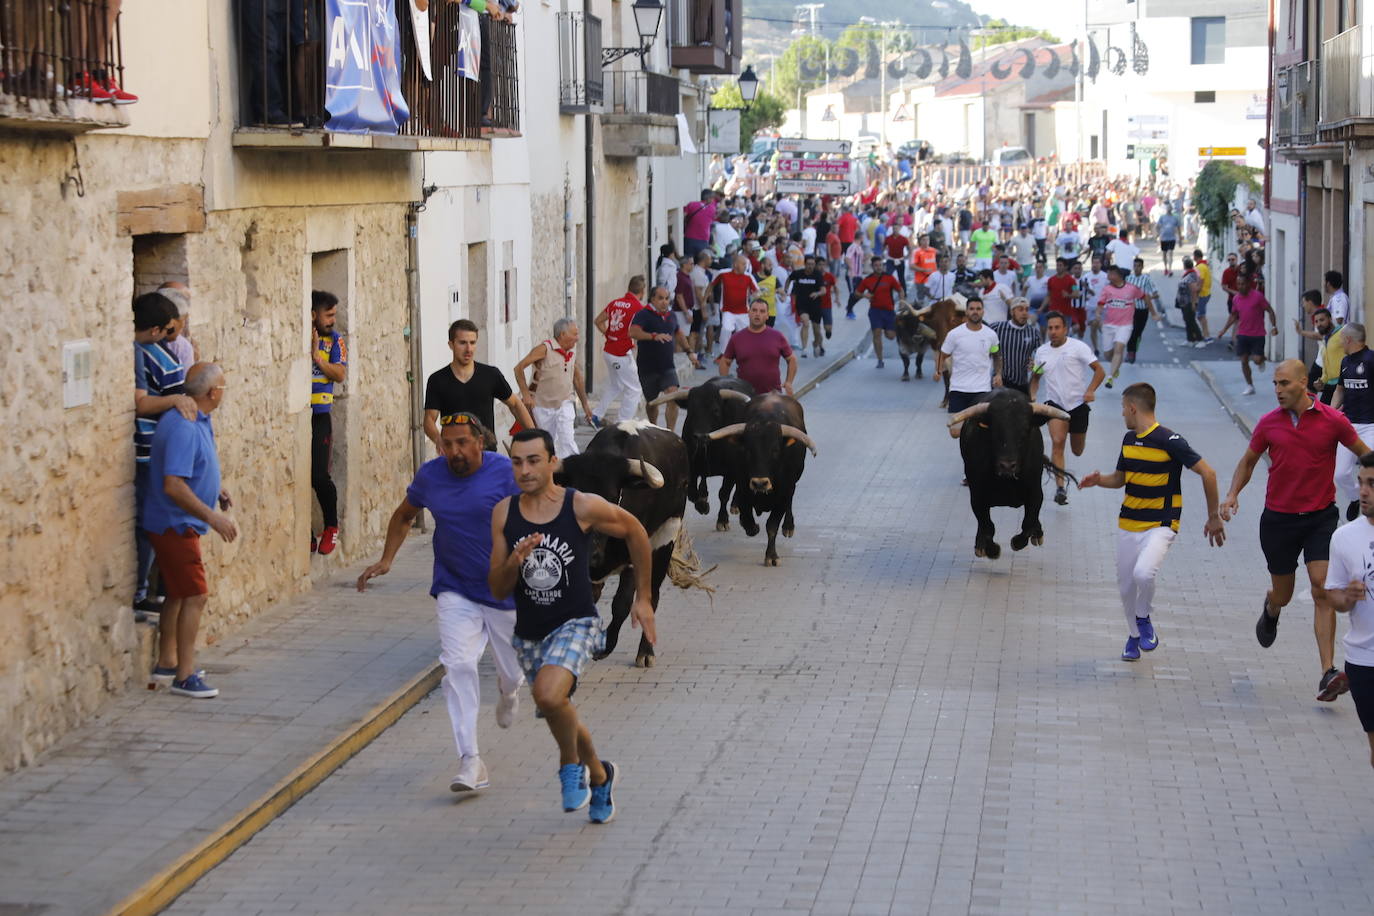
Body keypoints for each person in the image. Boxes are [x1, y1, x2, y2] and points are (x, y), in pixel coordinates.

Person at [489, 428, 657, 824]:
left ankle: (570, 767)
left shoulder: (578, 506)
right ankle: (601, 775)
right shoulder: (504, 513)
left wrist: (644, 598)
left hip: (576, 624)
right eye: (516, 462)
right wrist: (514, 562)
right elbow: (497, 589)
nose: (524, 470)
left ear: (553, 464)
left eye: (533, 460)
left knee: (549, 697)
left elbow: (634, 530)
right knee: (559, 707)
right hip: (529, 634)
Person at [357, 412, 524, 793]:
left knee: (512, 671)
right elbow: (404, 515)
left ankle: (509, 689)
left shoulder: (504, 472)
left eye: (462, 442)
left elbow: (537, 510)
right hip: (454, 587)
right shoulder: (431, 475)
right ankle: (471, 760)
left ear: (480, 442)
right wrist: (386, 561)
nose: (454, 451)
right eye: (447, 444)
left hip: (503, 590)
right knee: (458, 665)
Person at [1221, 359, 1372, 703]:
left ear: (1304, 383)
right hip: (1278, 520)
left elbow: (1364, 454)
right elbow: (1247, 462)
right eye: (1275, 384)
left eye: (1284, 383)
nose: (1277, 391)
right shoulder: (1268, 423)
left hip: (1320, 518)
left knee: (1321, 588)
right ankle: (1272, 607)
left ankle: (1327, 673)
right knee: (1284, 593)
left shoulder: (1333, 421)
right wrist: (1232, 495)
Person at [1079, 383, 1226, 660]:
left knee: (1144, 573)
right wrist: (1098, 481)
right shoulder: (1128, 439)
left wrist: (1213, 516)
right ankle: (1134, 637)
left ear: (1133, 408)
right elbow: (1120, 479)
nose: (1122, 414)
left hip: (1162, 522)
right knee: (1125, 588)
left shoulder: (1170, 441)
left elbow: (1209, 474)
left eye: (1123, 408)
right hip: (1129, 522)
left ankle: (1144, 619)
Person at [143, 363, 237, 699]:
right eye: (223, 386)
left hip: (177, 523)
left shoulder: (199, 418)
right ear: (212, 392)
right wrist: (213, 517)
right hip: (174, 523)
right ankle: (185, 675)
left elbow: (196, 467)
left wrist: (216, 489)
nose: (224, 391)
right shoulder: (184, 424)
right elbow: (174, 485)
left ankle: (167, 662)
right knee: (196, 595)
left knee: (179, 594)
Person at [132, 292, 194, 620]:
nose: (174, 336)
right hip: (150, 454)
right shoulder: (155, 358)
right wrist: (173, 401)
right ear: (156, 330)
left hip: (148, 452)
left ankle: (149, 589)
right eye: (169, 330)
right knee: (151, 524)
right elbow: (149, 404)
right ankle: (144, 591)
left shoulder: (143, 353)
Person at [1323, 451, 1374, 767]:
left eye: (1372, 484)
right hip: (1364, 660)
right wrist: (1349, 596)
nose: (1363, 491)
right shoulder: (1344, 537)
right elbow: (1334, 600)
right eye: (1361, 483)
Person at [1030, 313, 1105, 505]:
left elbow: (1100, 370)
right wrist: (1032, 395)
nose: (1053, 332)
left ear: (1065, 329)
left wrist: (1090, 390)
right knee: (1057, 442)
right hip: (1054, 404)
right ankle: (1060, 488)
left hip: (1078, 405)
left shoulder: (1078, 347)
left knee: (1077, 450)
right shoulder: (1041, 352)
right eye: (1050, 328)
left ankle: (1063, 480)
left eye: (1057, 328)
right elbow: (1036, 377)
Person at [424, 320, 534, 446]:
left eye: (472, 343)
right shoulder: (437, 380)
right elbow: (429, 419)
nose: (468, 349)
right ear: (451, 344)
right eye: (462, 343)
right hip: (454, 455)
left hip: (486, 454)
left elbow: (515, 404)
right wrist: (440, 441)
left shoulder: (491, 374)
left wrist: (536, 437)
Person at [513, 320, 594, 459]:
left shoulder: (571, 352)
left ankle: (572, 470)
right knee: (547, 443)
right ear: (562, 334)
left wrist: (585, 405)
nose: (578, 338)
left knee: (567, 439)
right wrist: (525, 394)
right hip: (542, 406)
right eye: (574, 334)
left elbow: (577, 379)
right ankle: (551, 470)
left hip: (565, 403)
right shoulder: (545, 349)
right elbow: (519, 368)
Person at [630, 285, 702, 429]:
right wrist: (653, 336)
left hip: (667, 367)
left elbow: (679, 333)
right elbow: (633, 332)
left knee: (673, 396)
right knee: (652, 403)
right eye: (660, 298)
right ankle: (654, 428)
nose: (664, 302)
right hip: (647, 368)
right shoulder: (643, 314)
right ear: (652, 299)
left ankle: (670, 432)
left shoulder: (671, 315)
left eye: (667, 298)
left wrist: (689, 352)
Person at [309, 291, 347, 555]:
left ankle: (331, 527)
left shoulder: (335, 340)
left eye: (334, 314)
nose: (333, 320)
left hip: (320, 415)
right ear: (313, 315)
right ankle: (307, 534)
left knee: (319, 475)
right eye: (329, 314)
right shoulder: (300, 335)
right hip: (299, 417)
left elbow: (340, 373)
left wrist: (317, 359)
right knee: (298, 477)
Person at [938, 297, 1002, 439]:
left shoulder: (991, 335)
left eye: (978, 309)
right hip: (958, 390)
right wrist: (938, 371)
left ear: (983, 312)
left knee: (983, 431)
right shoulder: (954, 335)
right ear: (966, 312)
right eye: (972, 309)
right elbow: (943, 354)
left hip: (982, 391)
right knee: (955, 432)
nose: (975, 312)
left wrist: (998, 374)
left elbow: (997, 355)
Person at [1330, 324, 1374, 521]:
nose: (1340, 342)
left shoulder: (1371, 359)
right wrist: (1330, 412)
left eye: (1341, 338)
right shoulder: (1345, 362)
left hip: (1370, 426)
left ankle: (1369, 511)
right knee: (1340, 474)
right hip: (1348, 426)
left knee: (1369, 470)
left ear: (1348, 339)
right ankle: (1356, 498)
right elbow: (1340, 389)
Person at [1216, 271, 1278, 396]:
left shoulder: (1258, 296)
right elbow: (1233, 316)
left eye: (1243, 284)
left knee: (1256, 360)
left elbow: (1270, 310)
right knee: (1244, 361)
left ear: (1248, 284)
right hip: (1243, 334)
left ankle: (1261, 360)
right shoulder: (1236, 298)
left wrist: (1274, 326)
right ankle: (1250, 385)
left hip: (1258, 334)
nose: (1240, 286)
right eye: (1238, 284)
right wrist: (1223, 330)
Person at [718, 298, 796, 395]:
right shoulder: (737, 338)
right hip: (744, 394)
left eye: (762, 311)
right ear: (749, 313)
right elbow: (725, 361)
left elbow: (792, 359)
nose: (757, 314)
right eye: (754, 310)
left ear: (767, 315)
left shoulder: (777, 336)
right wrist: (726, 383)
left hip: (772, 395)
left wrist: (788, 382)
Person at [1096, 265, 1148, 389]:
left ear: (1118, 275)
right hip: (1108, 325)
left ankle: (1110, 377)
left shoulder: (1132, 289)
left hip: (1125, 325)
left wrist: (1153, 312)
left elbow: (1145, 297)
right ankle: (1116, 366)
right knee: (1108, 354)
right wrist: (1098, 315)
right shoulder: (1107, 289)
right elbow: (1100, 305)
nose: (1108, 276)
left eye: (1110, 273)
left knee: (1119, 349)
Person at [856, 256, 904, 369]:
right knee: (877, 333)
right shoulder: (867, 280)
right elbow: (857, 292)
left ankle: (891, 331)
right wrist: (864, 295)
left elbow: (900, 290)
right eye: (876, 265)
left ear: (883, 266)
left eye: (880, 265)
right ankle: (880, 360)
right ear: (872, 267)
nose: (878, 267)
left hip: (888, 311)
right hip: (875, 311)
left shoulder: (889, 278)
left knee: (891, 336)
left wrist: (902, 302)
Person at [989, 298, 1041, 396]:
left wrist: (1035, 363)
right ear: (1012, 312)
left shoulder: (1034, 333)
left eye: (1027, 309)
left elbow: (1041, 355)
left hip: (1022, 384)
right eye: (1020, 309)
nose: (1024, 313)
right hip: (1001, 383)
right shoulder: (997, 328)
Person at [708, 255, 759, 356]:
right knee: (726, 329)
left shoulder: (748, 277)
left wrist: (756, 296)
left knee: (745, 334)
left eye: (746, 264)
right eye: (744, 264)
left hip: (744, 311)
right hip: (728, 310)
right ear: (736, 264)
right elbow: (712, 285)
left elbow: (756, 291)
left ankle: (745, 354)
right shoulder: (723, 273)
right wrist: (705, 299)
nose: (746, 266)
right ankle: (723, 354)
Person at [1294, 307, 1343, 405]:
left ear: (1330, 319)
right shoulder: (1326, 338)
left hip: (1341, 386)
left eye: (1322, 320)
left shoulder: (1342, 333)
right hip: (1329, 385)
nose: (1319, 324)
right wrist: (1321, 381)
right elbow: (1327, 366)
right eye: (1316, 321)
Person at [786, 255, 828, 358]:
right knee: (805, 323)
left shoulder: (817, 275)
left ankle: (815, 344)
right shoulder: (798, 273)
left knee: (817, 330)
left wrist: (817, 294)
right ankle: (804, 349)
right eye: (808, 264)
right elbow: (789, 279)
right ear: (805, 264)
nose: (810, 266)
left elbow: (824, 290)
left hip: (815, 305)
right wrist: (785, 291)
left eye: (812, 264)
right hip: (802, 304)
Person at [1124, 258, 1163, 365]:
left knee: (1138, 332)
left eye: (1139, 266)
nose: (1136, 268)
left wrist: (1148, 298)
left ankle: (1133, 349)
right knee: (1131, 331)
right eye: (1135, 266)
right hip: (1131, 310)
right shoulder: (1128, 279)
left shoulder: (1146, 279)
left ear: (1142, 267)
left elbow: (1156, 293)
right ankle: (1130, 352)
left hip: (1143, 310)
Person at [683, 190, 718, 259]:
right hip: (703, 241)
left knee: (688, 261)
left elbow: (683, 216)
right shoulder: (712, 209)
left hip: (689, 239)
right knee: (700, 262)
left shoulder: (691, 204)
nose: (713, 200)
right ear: (708, 198)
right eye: (712, 198)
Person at [1191, 248, 1216, 344]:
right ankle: (1205, 334)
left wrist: (1196, 292)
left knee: (1201, 316)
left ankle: (1206, 336)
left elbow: (1200, 280)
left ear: (1195, 257)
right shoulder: (1204, 265)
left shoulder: (1200, 267)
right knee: (1200, 315)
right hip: (1206, 293)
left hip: (1202, 294)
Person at [882, 224, 910, 291]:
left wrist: (907, 257)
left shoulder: (903, 239)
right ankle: (887, 290)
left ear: (899, 229)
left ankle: (904, 292)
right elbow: (883, 247)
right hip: (891, 260)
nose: (895, 230)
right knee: (888, 275)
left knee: (901, 278)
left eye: (896, 228)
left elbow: (909, 248)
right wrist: (884, 255)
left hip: (900, 260)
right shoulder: (888, 238)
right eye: (894, 228)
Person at [1156, 205, 1180, 276]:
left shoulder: (1175, 218)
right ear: (1166, 209)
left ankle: (1170, 269)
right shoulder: (1162, 217)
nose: (1169, 209)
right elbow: (1157, 226)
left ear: (1171, 209)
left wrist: (1180, 238)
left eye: (1170, 208)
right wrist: (1158, 234)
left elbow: (1178, 228)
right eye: (1168, 208)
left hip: (1172, 238)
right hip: (1164, 238)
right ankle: (1165, 268)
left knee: (1170, 252)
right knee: (1164, 254)